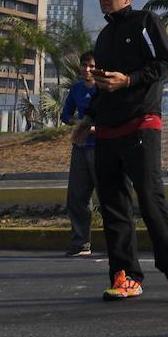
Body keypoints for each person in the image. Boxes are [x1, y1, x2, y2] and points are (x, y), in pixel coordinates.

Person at [71, 0, 168, 301]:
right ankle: (126, 276)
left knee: (150, 200)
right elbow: (104, 85)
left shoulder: (145, 21)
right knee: (112, 206)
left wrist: (127, 80)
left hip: (142, 123)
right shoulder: (103, 38)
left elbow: (164, 65)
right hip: (107, 130)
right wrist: (88, 118)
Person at [61, 51, 99, 257]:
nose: (87, 69)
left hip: (101, 148)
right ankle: (81, 243)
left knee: (110, 198)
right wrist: (79, 124)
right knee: (77, 197)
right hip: (80, 147)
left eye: (92, 66)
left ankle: (118, 244)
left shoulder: (105, 89)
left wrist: (94, 128)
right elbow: (65, 115)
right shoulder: (75, 89)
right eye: (84, 65)